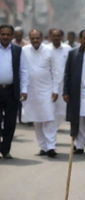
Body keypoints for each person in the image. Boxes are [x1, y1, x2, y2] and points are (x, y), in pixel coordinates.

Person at [22, 29, 59, 158]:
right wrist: (23, 90)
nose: (35, 40)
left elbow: (55, 72)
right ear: (30, 38)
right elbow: (23, 71)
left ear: (42, 38)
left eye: (37, 38)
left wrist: (55, 90)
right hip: (31, 90)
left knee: (49, 119)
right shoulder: (25, 50)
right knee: (36, 120)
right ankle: (43, 147)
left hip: (47, 90)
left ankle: (51, 147)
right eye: (33, 38)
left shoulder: (49, 50)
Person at [0, 24, 28, 159]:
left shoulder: (17, 50)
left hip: (12, 91)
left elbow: (23, 70)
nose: (5, 37)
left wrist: (24, 90)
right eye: (2, 34)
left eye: (7, 34)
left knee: (10, 123)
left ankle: (5, 150)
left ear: (12, 36)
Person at [49, 29, 71, 127]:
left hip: (63, 84)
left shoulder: (68, 49)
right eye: (54, 36)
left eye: (58, 36)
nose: (56, 38)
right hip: (49, 84)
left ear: (62, 37)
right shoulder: (46, 49)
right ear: (50, 37)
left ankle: (55, 127)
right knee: (49, 108)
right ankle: (51, 130)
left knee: (61, 111)